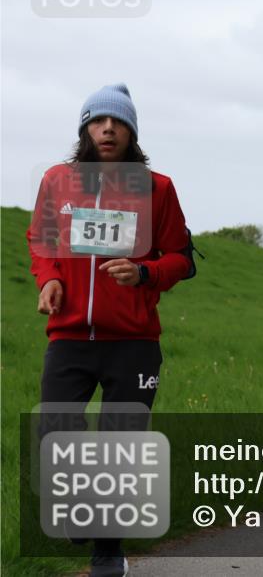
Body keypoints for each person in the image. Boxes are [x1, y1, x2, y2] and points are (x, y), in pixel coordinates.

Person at [28, 84, 194, 577]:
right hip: (70, 337)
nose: (107, 129)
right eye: (98, 121)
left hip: (134, 343)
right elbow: (41, 241)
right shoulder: (58, 180)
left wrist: (144, 273)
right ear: (85, 129)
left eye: (118, 122)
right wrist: (51, 277)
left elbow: (181, 260)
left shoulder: (157, 188)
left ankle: (107, 553)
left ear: (131, 131)